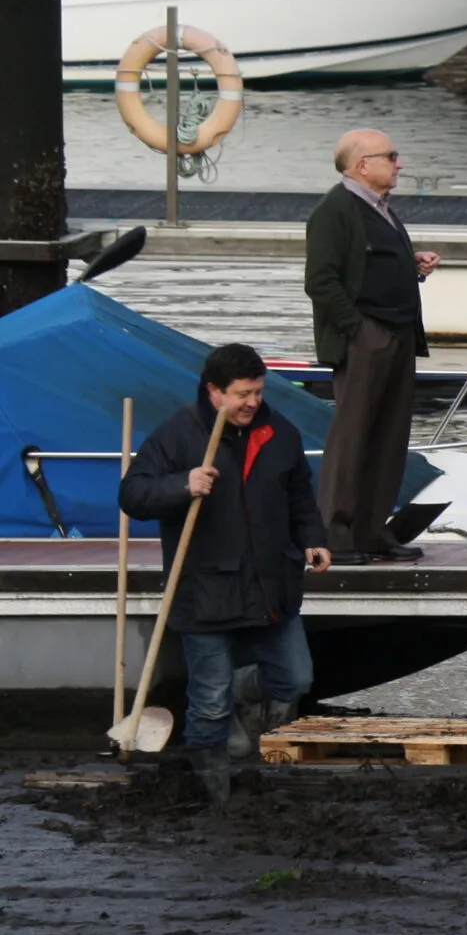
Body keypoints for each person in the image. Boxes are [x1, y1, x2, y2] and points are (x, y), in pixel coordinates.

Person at [118, 344, 330, 806]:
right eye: (242, 394)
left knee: (294, 680)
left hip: (272, 586)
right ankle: (215, 795)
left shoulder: (279, 432)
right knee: (210, 706)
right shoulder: (178, 434)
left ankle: (239, 690)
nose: (253, 402)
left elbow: (299, 496)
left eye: (257, 391)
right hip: (204, 592)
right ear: (214, 392)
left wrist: (314, 538)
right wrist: (182, 484)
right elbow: (132, 493)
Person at [304, 127, 437, 563]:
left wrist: (410, 265)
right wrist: (357, 330)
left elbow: (368, 263)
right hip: (367, 339)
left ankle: (371, 532)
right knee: (354, 437)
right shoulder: (334, 210)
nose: (400, 163)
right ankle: (337, 538)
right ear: (362, 164)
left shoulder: (381, 209)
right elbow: (321, 281)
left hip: (398, 335)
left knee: (390, 437)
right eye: (392, 156)